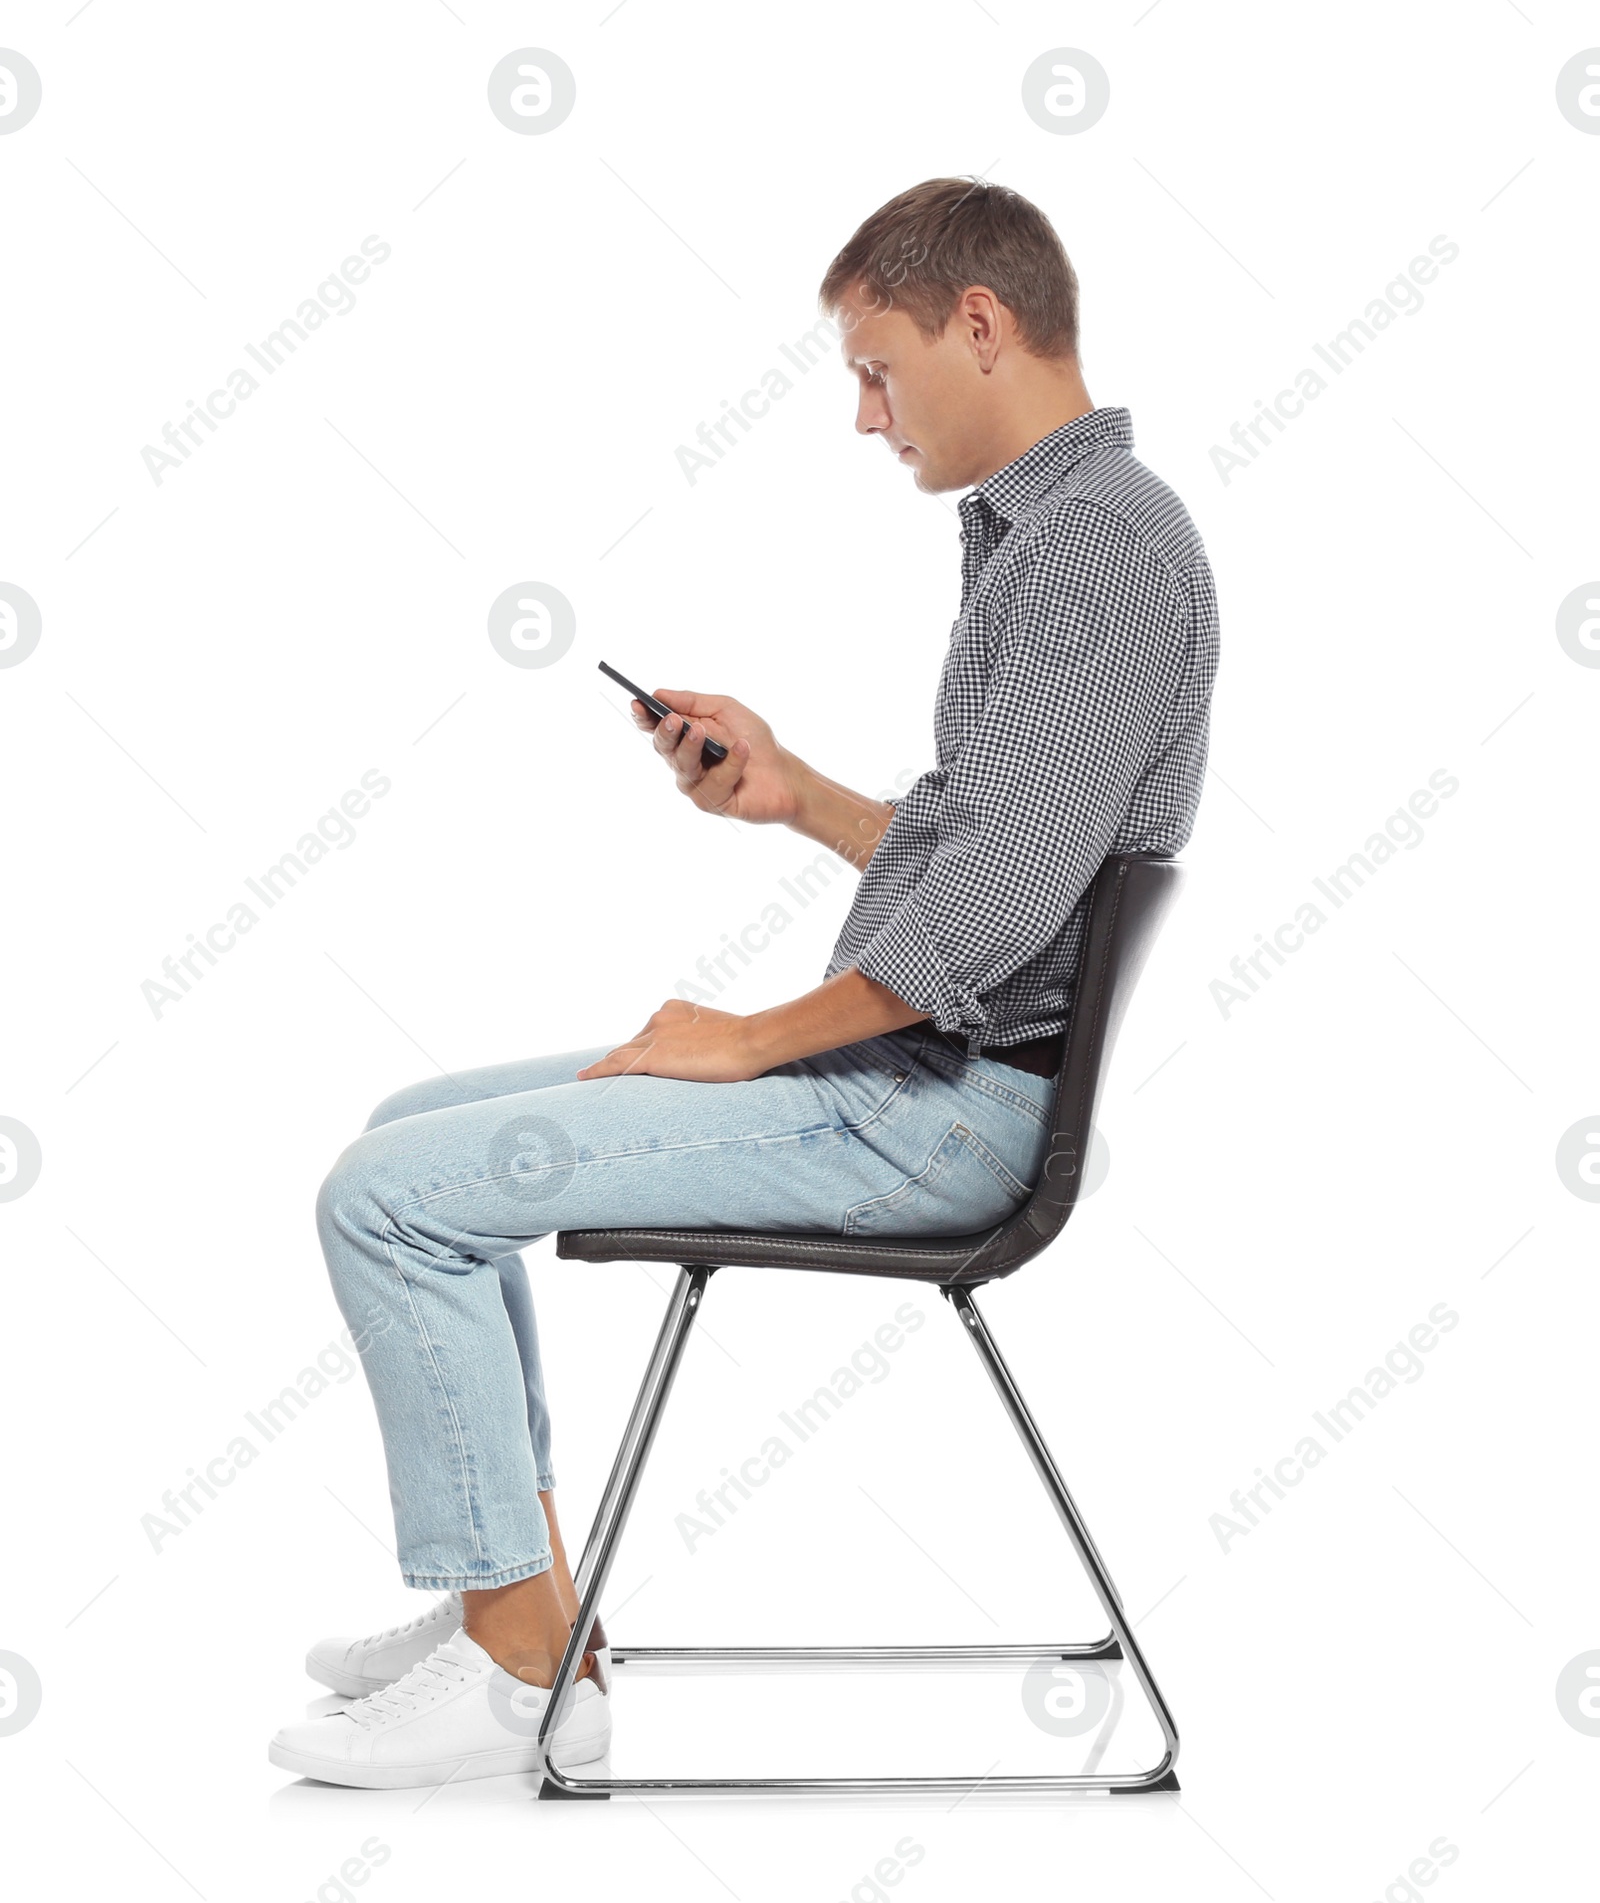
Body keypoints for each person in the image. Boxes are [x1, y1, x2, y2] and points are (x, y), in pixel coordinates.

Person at [268, 175, 1221, 1788]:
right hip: (927, 1075)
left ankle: (519, 1678)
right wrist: (792, 793)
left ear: (977, 325)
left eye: (876, 367)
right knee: (412, 1124)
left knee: (386, 1197)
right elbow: (982, 845)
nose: (864, 415)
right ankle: (528, 1596)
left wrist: (757, 1042)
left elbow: (987, 912)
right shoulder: (1047, 538)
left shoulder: (1101, 554)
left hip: (946, 1119)